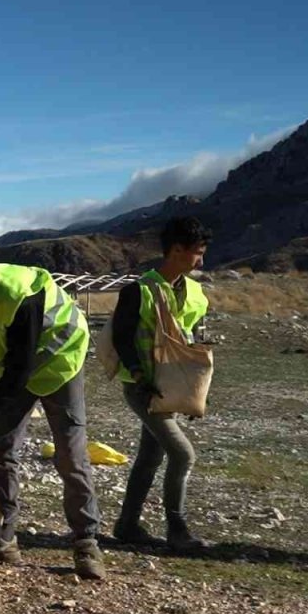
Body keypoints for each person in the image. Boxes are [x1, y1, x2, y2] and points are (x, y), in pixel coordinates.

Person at [0, 256, 105, 580]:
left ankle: (86, 542)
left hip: (60, 362)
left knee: (70, 454)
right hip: (14, 366)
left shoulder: (21, 296)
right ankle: (4, 537)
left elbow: (20, 368)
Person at [111, 216, 212, 551]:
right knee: (183, 455)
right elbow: (122, 339)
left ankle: (127, 525)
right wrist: (140, 378)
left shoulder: (195, 293)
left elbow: (190, 342)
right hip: (144, 389)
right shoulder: (138, 291)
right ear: (177, 250)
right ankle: (177, 529)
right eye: (197, 253)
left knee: (150, 458)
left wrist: (192, 393)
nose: (201, 260)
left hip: (172, 387)